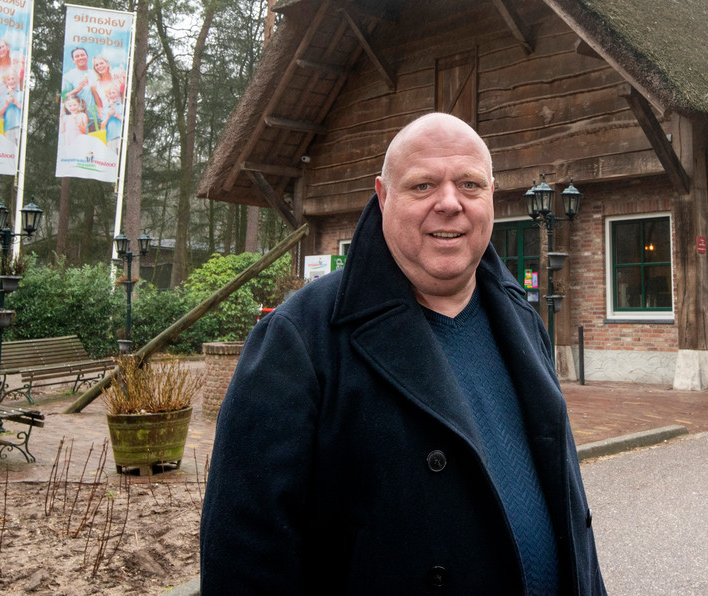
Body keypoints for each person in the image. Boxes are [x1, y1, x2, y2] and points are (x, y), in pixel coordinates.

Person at [200, 113, 606, 595]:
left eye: (470, 184)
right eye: (423, 186)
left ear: (492, 196)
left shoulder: (523, 321)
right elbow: (246, 560)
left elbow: (568, 512)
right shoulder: (299, 340)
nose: (450, 203)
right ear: (383, 195)